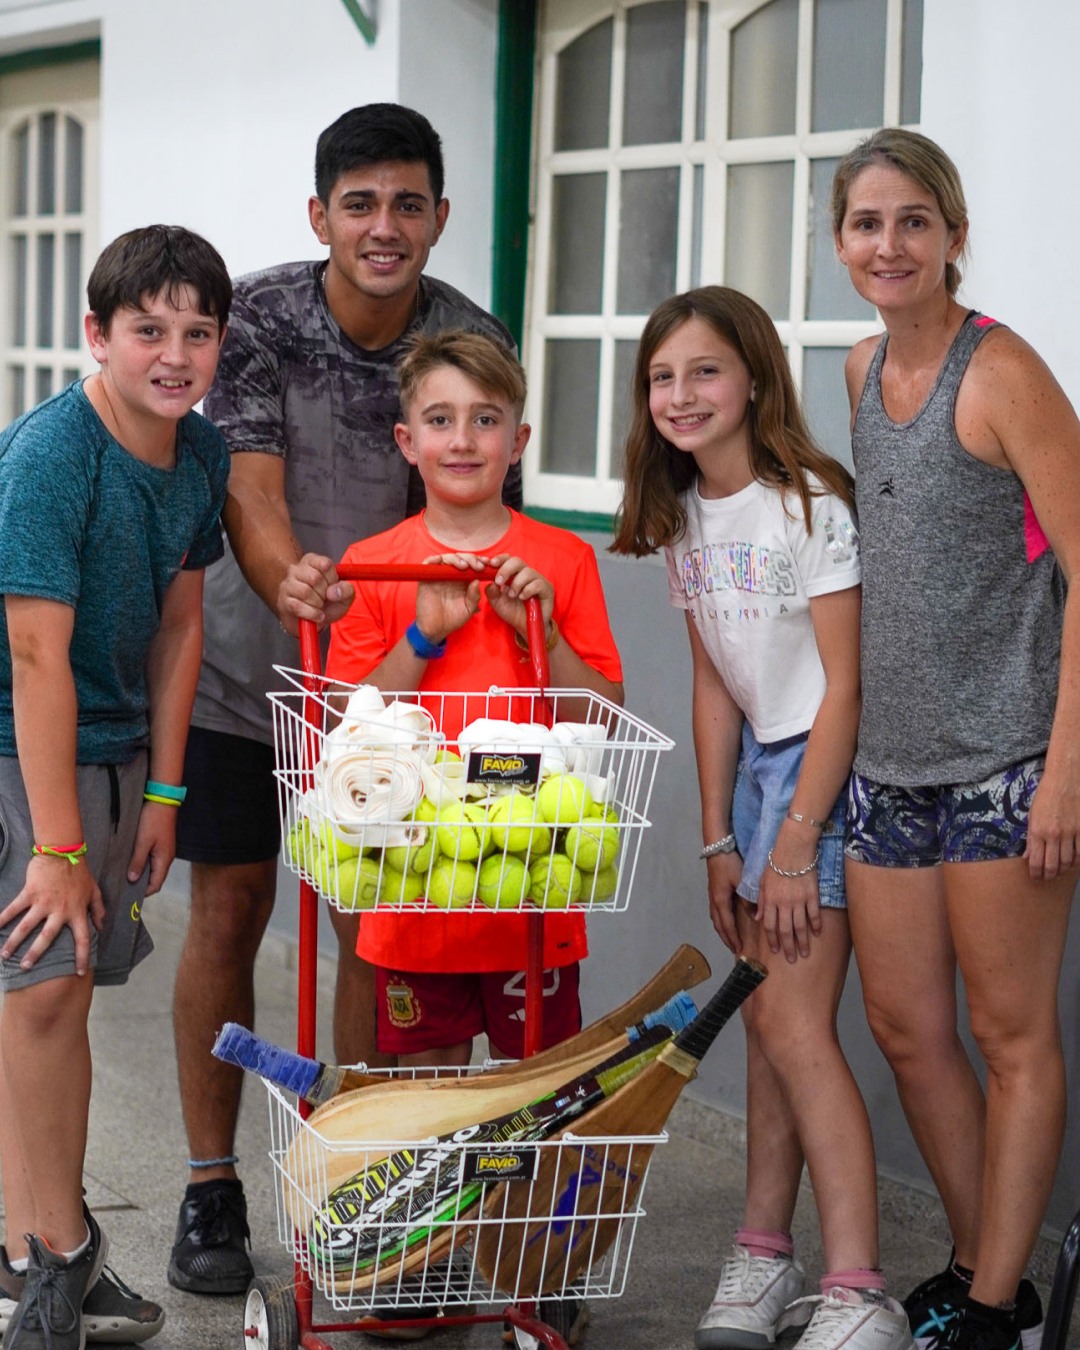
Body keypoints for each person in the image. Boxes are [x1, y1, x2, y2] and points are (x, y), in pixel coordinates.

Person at [167, 103, 521, 1296]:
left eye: (407, 203)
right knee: (232, 911)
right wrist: (292, 582)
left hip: (393, 689)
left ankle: (363, 1184)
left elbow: (479, 491)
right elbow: (250, 488)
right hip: (242, 666)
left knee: (372, 933)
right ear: (320, 216)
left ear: (439, 215)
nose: (384, 226)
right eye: (359, 204)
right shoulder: (259, 315)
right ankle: (212, 1186)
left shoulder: (469, 331)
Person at [281, 328, 622, 1344]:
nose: (463, 439)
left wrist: (544, 628)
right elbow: (347, 727)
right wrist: (423, 632)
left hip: (528, 900)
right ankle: (411, 1261)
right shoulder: (372, 566)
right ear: (405, 439)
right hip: (414, 899)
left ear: (517, 438)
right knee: (415, 1098)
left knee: (535, 1099)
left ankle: (529, 1264)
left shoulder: (559, 558)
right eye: (441, 420)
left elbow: (603, 713)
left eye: (484, 420)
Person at [611, 286, 914, 1350]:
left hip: (818, 777)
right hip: (752, 789)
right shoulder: (688, 512)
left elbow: (846, 687)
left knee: (793, 1027)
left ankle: (858, 1286)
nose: (681, 395)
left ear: (752, 378)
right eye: (661, 377)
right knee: (766, 1028)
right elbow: (710, 684)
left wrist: (793, 839)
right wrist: (718, 835)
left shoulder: (810, 506)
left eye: (703, 371)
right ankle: (763, 1255)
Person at [831, 128, 1079, 1350]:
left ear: (953, 236)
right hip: (888, 767)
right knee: (907, 1031)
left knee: (1009, 1033)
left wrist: (1065, 777)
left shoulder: (1006, 374)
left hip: (1007, 763)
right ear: (840, 244)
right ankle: (996, 1272)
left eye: (915, 221)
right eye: (869, 223)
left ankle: (991, 1313)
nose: (892, 244)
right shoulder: (854, 373)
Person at [0, 226, 231, 1350]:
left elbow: (183, 623)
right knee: (44, 991)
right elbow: (36, 657)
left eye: (198, 332)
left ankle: (39, 1243)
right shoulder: (50, 455)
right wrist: (56, 846)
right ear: (98, 335)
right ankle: (53, 1256)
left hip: (120, 745)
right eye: (148, 330)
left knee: (50, 998)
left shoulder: (203, 455)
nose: (174, 354)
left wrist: (168, 793)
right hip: (20, 743)